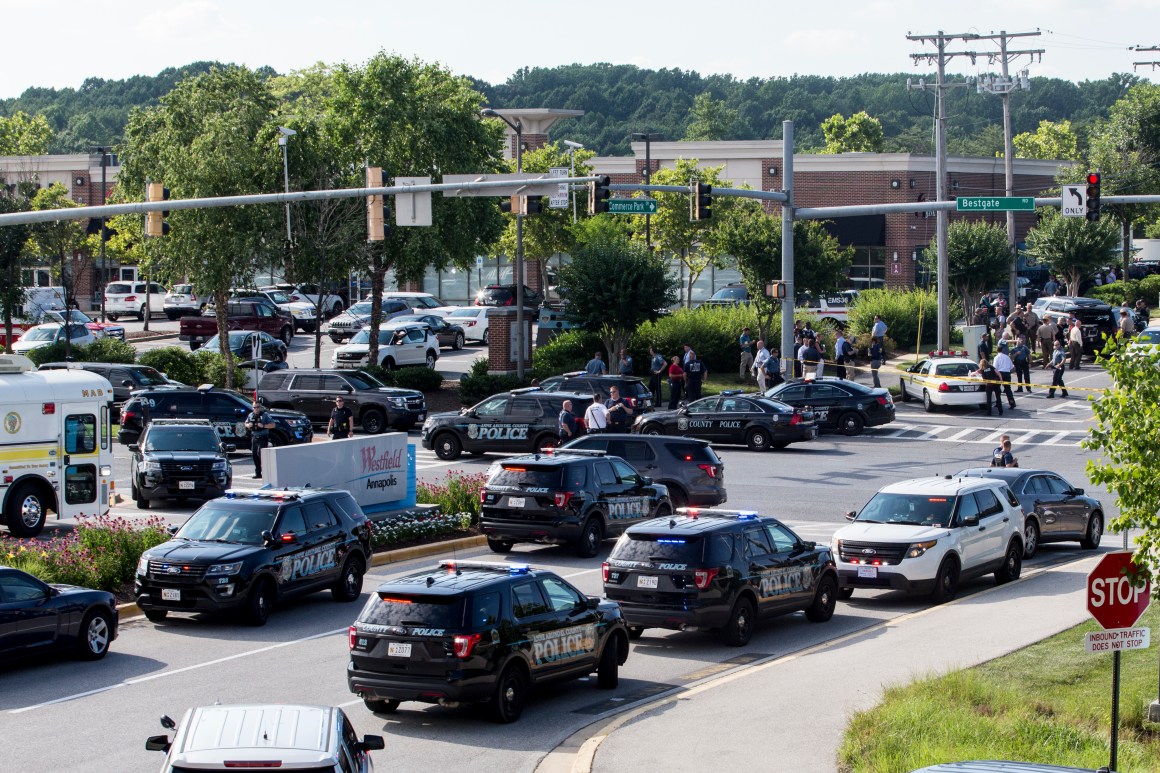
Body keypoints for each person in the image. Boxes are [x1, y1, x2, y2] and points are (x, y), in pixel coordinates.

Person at [244, 400, 274, 478]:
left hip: (263, 437)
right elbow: (246, 423)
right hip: (254, 437)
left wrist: (263, 426)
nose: (256, 409)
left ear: (260, 407)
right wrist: (248, 425)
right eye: (254, 407)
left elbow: (273, 425)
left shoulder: (265, 415)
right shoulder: (250, 415)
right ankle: (258, 473)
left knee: (261, 455)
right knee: (254, 455)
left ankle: (266, 473)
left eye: (257, 407)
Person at [993, 343, 1016, 410]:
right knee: (1008, 389)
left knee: (997, 389)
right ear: (1002, 350)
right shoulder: (1007, 357)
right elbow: (1011, 366)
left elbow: (995, 368)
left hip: (1000, 373)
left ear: (997, 350)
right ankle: (1012, 403)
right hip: (1007, 373)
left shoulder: (996, 357)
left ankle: (998, 402)